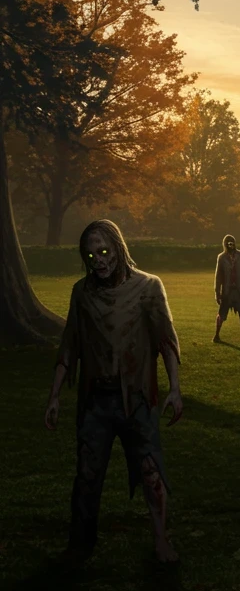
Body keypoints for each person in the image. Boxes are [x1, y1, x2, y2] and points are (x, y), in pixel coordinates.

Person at [44, 219, 183, 563]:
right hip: (95, 403)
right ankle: (80, 545)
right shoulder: (82, 293)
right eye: (91, 255)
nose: (99, 260)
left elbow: (166, 341)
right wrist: (55, 396)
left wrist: (175, 389)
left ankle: (161, 541)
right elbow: (69, 346)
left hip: (137, 399)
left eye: (104, 251)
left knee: (151, 471)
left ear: (118, 249)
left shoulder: (149, 287)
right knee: (88, 476)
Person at [214, 233, 240, 344]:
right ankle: (216, 335)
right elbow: (218, 277)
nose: (230, 244)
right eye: (228, 242)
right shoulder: (221, 258)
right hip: (227, 292)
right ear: (225, 244)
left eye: (232, 242)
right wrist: (217, 293)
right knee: (221, 315)